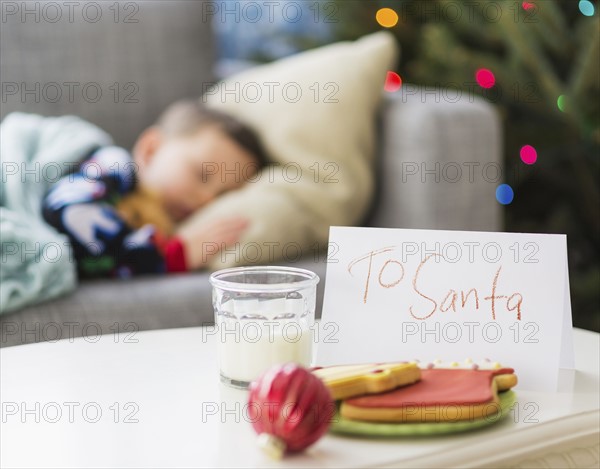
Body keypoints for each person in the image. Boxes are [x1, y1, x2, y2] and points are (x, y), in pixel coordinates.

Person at [42, 100, 267, 278]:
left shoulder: (162, 226)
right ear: (151, 149)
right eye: (201, 174)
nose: (207, 199)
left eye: (222, 196)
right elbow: (67, 210)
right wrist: (167, 257)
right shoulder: (114, 165)